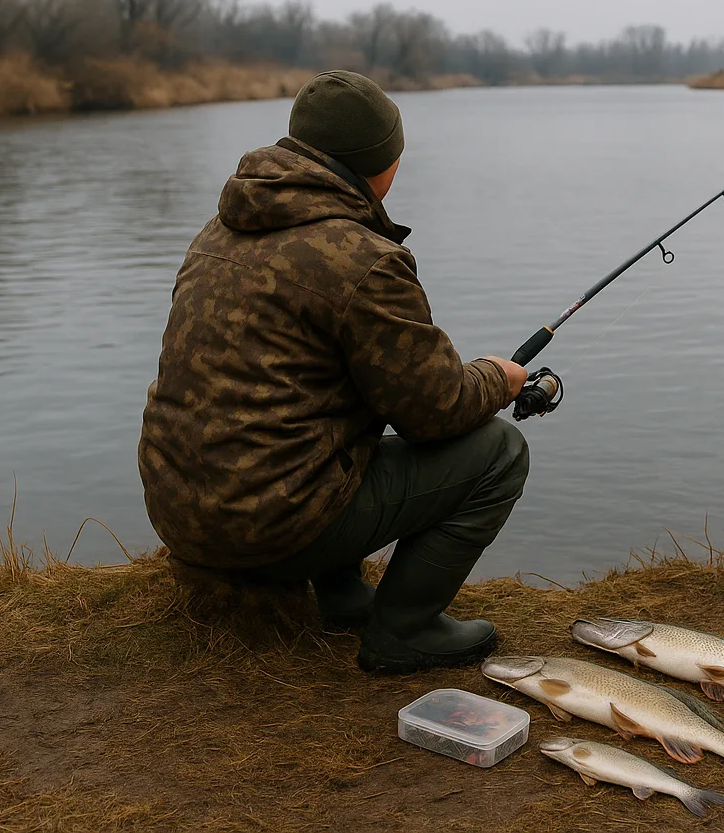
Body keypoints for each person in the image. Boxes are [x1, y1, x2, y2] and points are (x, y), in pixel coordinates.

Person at [138, 70, 530, 674]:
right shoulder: (362, 260)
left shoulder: (218, 231)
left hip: (183, 514)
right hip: (266, 527)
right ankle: (406, 629)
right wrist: (497, 379)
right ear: (381, 162)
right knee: (499, 449)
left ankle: (342, 595)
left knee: (325, 402)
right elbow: (435, 409)